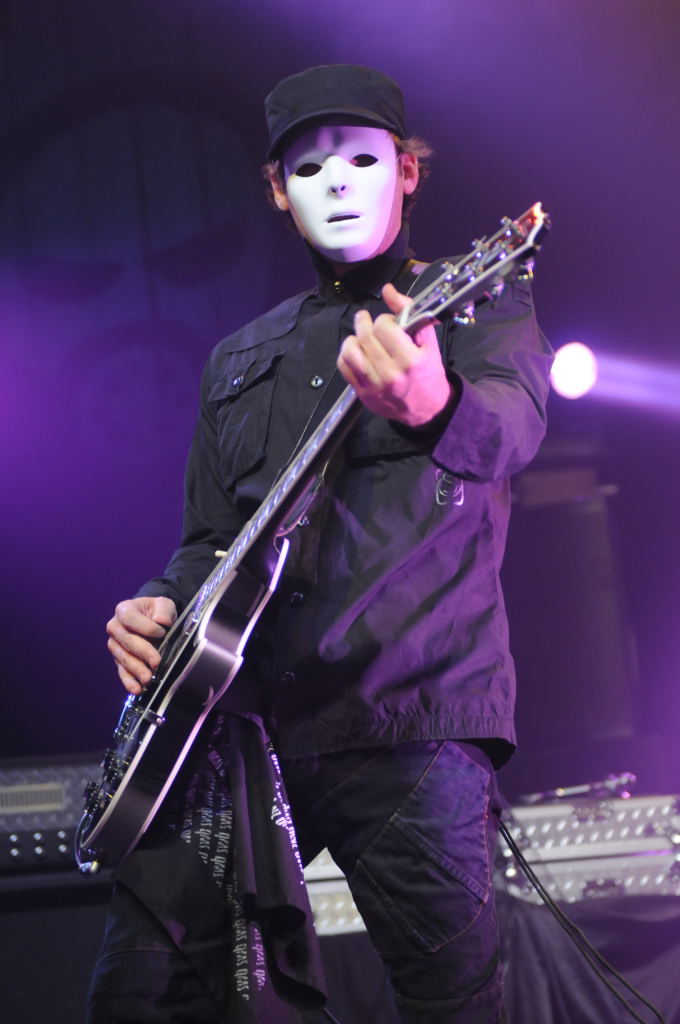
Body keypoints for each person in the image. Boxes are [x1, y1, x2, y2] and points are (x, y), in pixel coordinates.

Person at [88, 64, 553, 1024]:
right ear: (277, 191)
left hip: (411, 719)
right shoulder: (238, 356)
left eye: (361, 158)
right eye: (306, 167)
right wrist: (161, 604)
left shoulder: (471, 302)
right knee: (139, 995)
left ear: (408, 171)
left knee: (457, 1007)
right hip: (242, 731)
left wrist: (432, 402)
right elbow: (210, 541)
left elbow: (510, 431)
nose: (336, 180)